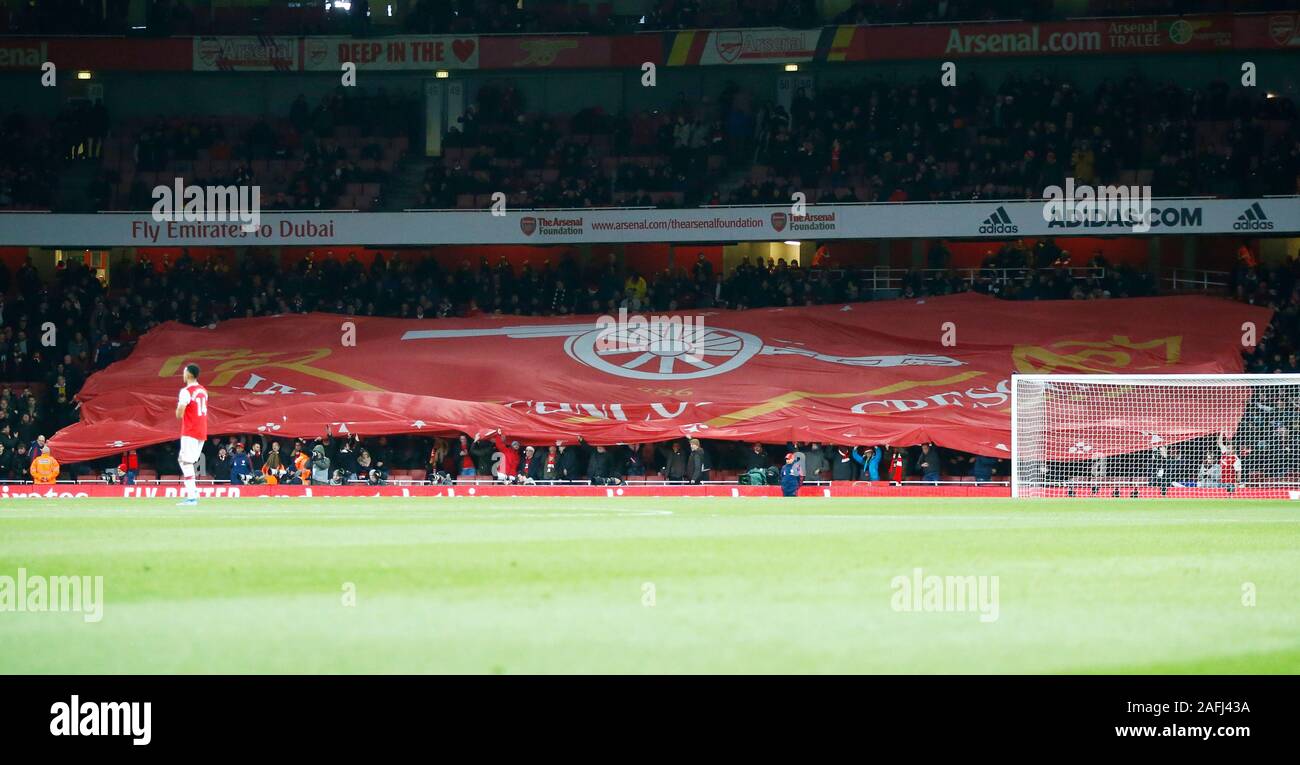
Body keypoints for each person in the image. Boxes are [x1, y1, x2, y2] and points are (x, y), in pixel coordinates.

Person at [174, 363, 208, 505]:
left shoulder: (186, 391)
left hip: (190, 430)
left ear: (188, 374)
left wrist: (177, 411)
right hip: (202, 430)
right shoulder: (203, 390)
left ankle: (192, 496)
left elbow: (180, 413)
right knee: (187, 461)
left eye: (184, 372)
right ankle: (193, 493)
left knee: (185, 461)